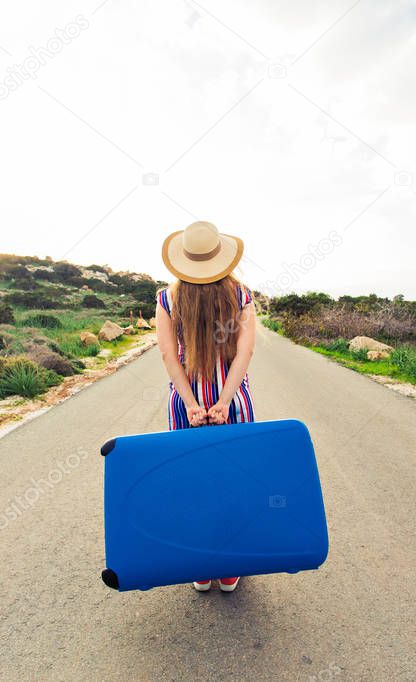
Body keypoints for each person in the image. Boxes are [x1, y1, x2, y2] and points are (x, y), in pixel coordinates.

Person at [156, 221, 257, 593]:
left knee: (191, 483)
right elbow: (245, 350)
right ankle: (229, 569)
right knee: (234, 480)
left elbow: (168, 354)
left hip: (186, 403)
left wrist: (191, 404)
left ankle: (200, 568)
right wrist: (226, 399)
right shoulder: (241, 294)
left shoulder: (167, 299)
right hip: (234, 401)